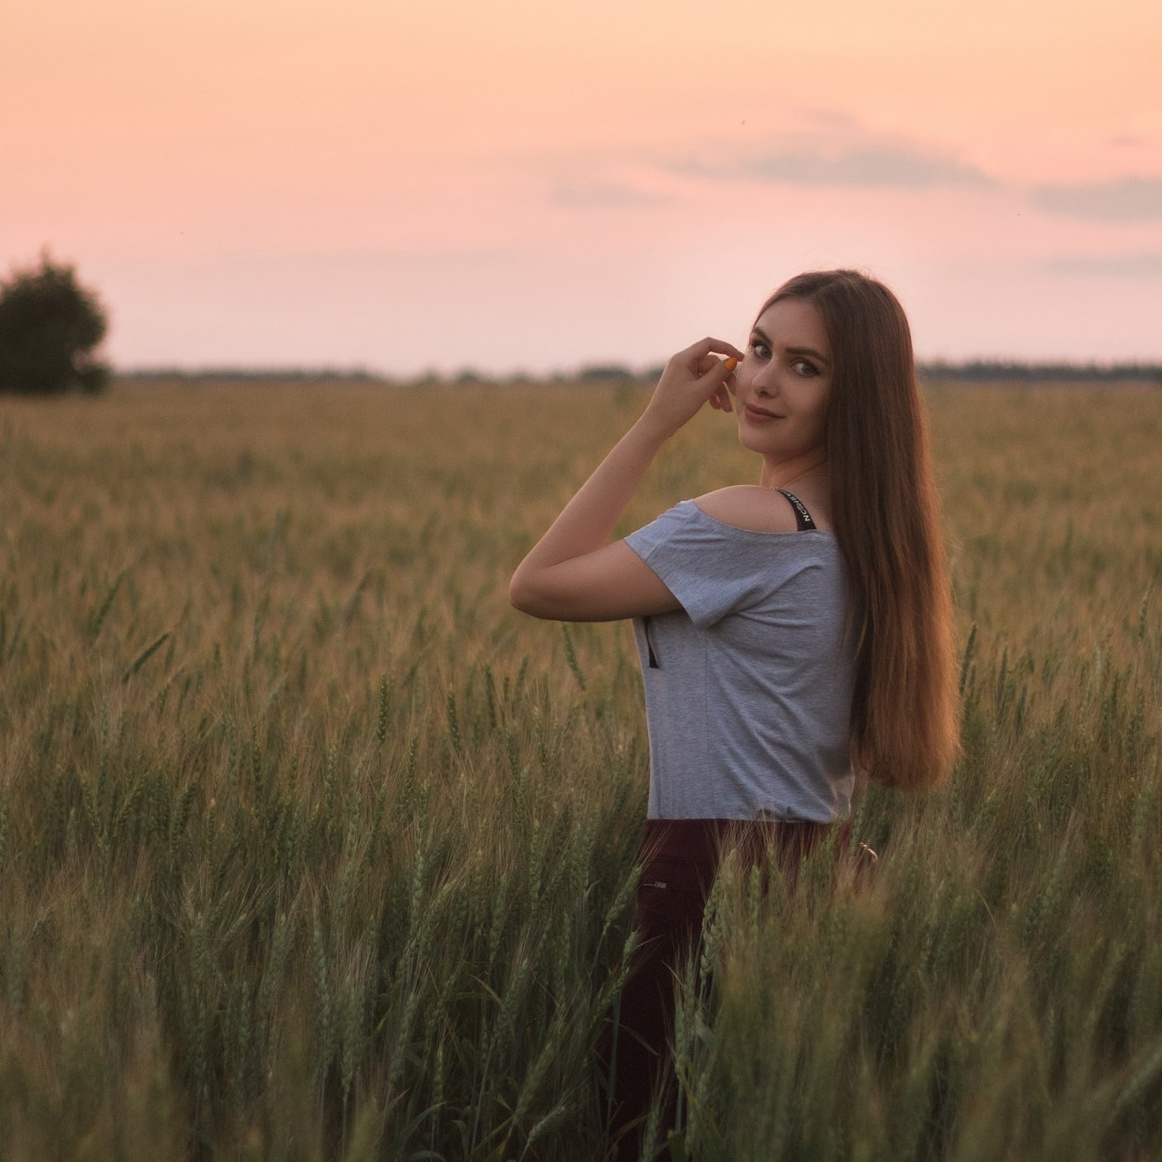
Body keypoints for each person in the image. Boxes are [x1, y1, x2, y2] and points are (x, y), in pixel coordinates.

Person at [509, 269, 959, 1159]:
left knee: (651, 1133)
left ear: (854, 397)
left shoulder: (746, 524)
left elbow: (539, 584)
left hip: (708, 871)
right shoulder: (874, 539)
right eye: (758, 349)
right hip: (824, 871)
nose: (760, 379)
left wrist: (653, 424)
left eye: (803, 366)